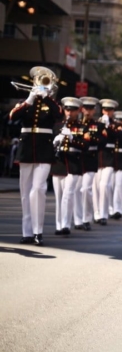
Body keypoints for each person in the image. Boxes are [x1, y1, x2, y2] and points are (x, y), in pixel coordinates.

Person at [10, 66, 62, 246]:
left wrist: (47, 96)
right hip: (26, 148)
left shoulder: (52, 104)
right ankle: (27, 232)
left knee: (38, 189)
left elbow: (59, 115)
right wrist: (29, 100)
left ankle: (38, 231)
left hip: (44, 149)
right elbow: (13, 117)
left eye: (45, 81)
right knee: (25, 192)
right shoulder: (26, 103)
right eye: (40, 80)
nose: (42, 83)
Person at [51, 97, 89, 236]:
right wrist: (55, 141)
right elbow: (50, 146)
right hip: (59, 163)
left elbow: (86, 145)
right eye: (67, 109)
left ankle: (66, 225)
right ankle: (59, 224)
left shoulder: (82, 127)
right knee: (59, 197)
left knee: (68, 194)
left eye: (72, 110)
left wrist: (72, 139)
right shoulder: (57, 126)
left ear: (78, 111)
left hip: (74, 163)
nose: (69, 113)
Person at [73, 97, 106, 232]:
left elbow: (103, 142)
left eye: (91, 109)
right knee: (76, 190)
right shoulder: (76, 124)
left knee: (86, 189)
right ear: (81, 109)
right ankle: (77, 219)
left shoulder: (99, 125)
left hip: (91, 158)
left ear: (94, 110)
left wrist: (90, 137)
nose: (88, 111)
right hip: (77, 158)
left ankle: (87, 218)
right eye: (86, 108)